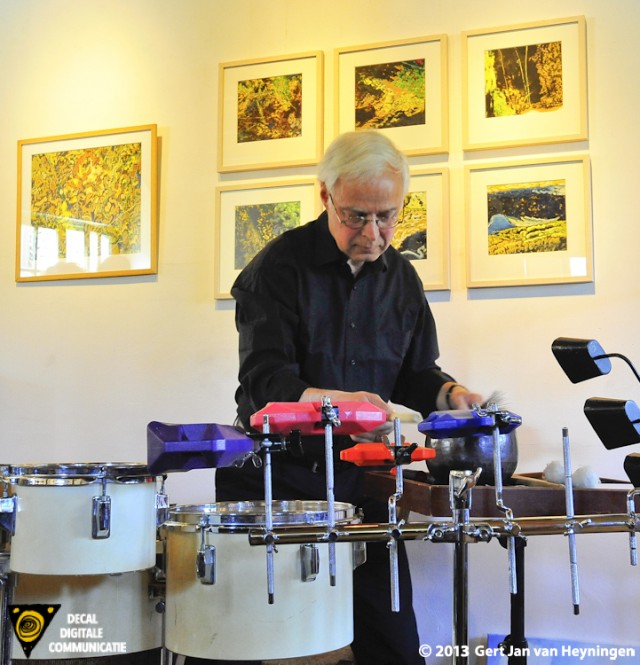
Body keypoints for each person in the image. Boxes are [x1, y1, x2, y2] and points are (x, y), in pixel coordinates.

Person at [213, 130, 483, 665]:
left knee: (395, 650)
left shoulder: (402, 278)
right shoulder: (277, 269)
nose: (375, 232)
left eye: (388, 216)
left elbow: (413, 374)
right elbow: (266, 385)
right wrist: (343, 405)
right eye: (358, 215)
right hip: (279, 481)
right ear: (325, 197)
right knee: (275, 648)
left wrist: (450, 394)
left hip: (364, 483)